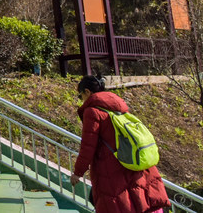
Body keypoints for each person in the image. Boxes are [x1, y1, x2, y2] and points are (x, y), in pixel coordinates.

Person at [69, 75, 169, 213]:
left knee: (118, 205)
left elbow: (87, 147)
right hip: (131, 163)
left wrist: (78, 172)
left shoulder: (92, 112)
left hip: (111, 171)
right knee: (140, 203)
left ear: (87, 92)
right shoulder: (118, 107)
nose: (81, 100)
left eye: (80, 96)